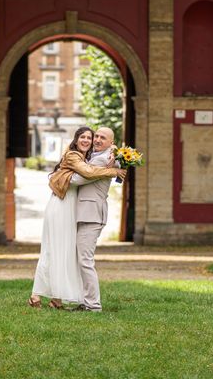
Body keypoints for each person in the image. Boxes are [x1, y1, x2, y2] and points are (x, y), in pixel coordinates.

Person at [28, 126, 126, 309]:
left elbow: (86, 173)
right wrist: (112, 171)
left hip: (74, 209)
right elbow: (82, 176)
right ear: (75, 139)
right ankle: (37, 295)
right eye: (87, 137)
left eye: (94, 137)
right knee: (53, 249)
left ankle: (59, 299)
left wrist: (113, 153)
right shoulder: (75, 156)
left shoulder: (96, 157)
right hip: (62, 205)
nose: (90, 140)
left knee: (66, 253)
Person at [71, 127, 119, 312]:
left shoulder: (101, 159)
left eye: (102, 138)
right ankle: (86, 300)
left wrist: (64, 171)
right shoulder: (100, 156)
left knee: (85, 260)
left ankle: (93, 305)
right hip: (86, 212)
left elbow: (76, 180)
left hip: (91, 214)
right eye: (96, 136)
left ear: (111, 142)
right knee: (82, 259)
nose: (97, 140)